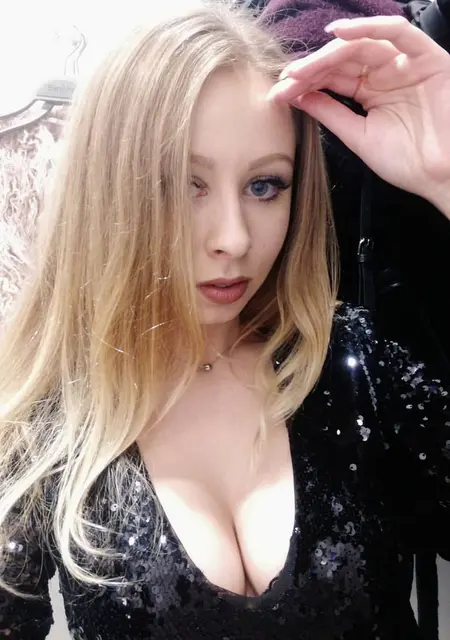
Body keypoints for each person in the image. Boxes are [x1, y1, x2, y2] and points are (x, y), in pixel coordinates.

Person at [0, 3, 449, 639]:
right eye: (185, 184)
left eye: (265, 186)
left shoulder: (351, 364)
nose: (233, 239)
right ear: (110, 190)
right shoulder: (47, 423)